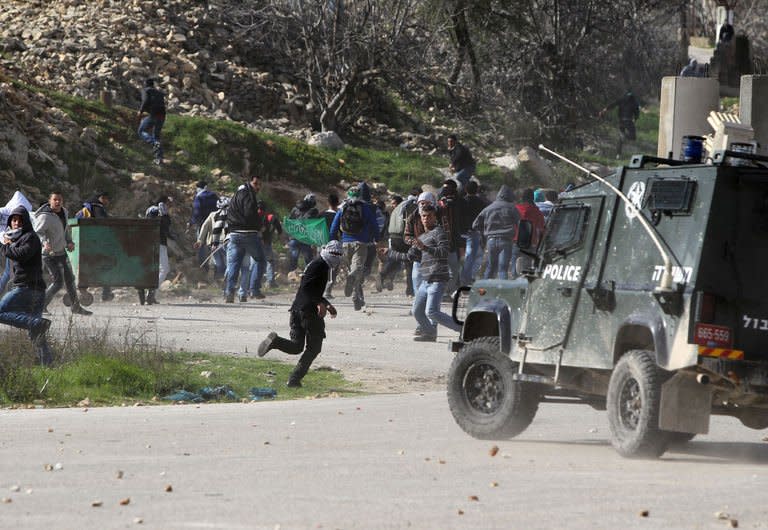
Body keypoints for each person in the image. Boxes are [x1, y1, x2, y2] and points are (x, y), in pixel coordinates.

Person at [257, 240, 343, 388]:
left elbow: (309, 289)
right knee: (314, 347)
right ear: (328, 253)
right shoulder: (320, 265)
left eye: (339, 255)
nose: (337, 257)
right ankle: (294, 379)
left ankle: (275, 341)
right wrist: (319, 303)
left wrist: (327, 304)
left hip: (297, 309)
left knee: (297, 347)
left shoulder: (318, 264)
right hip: (308, 313)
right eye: (335, 254)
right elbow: (309, 289)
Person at [381, 203, 461, 342]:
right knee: (417, 312)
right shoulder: (422, 237)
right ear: (420, 218)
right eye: (424, 216)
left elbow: (444, 251)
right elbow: (409, 257)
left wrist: (425, 248)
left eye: (429, 216)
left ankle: (463, 329)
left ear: (434, 217)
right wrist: (390, 253)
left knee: (432, 312)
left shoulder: (439, 233)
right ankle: (430, 333)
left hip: (437, 279)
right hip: (425, 280)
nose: (426, 219)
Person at [0, 206, 53, 365]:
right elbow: (9, 270)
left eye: (19, 220)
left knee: (1, 311)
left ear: (25, 222)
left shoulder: (30, 238)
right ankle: (47, 365)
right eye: (13, 220)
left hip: (29, 288)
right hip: (32, 289)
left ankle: (37, 322)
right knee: (36, 333)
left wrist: (4, 246)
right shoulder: (17, 239)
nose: (16, 223)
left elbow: (21, 255)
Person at [33, 192, 92, 316]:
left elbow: (64, 231)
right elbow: (38, 232)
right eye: (55, 200)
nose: (57, 202)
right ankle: (41, 306)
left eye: (59, 199)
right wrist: (45, 243)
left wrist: (69, 242)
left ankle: (76, 307)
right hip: (48, 254)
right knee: (58, 282)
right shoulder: (45, 216)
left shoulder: (64, 212)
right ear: (50, 201)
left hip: (61, 252)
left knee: (70, 279)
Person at [329, 185, 380, 311]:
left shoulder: (342, 208)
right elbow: (374, 225)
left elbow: (334, 227)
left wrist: (332, 240)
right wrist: (377, 238)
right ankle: (354, 291)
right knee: (357, 271)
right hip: (361, 244)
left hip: (345, 244)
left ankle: (356, 298)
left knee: (354, 271)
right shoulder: (366, 208)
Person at [224, 175, 266, 303]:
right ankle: (254, 289)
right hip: (248, 233)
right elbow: (249, 213)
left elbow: (229, 214)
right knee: (260, 260)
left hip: (234, 234)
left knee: (234, 265)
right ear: (249, 182)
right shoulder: (248, 194)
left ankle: (229, 293)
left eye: (259, 184)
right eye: (256, 183)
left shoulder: (235, 195)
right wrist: (259, 225)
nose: (258, 187)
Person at [472, 185, 520, 280]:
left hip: (491, 241)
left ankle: (484, 290)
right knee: (502, 269)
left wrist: (485, 230)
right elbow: (520, 224)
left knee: (490, 267)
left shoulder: (488, 208)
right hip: (506, 241)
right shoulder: (512, 208)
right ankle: (502, 292)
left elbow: (475, 225)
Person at [76, 191, 114, 302]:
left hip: (85, 242)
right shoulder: (97, 207)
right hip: (96, 243)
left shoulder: (87, 206)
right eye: (106, 199)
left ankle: (85, 290)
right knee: (106, 266)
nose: (108, 201)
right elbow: (102, 222)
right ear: (101, 198)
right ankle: (105, 293)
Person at [140, 195, 174, 305]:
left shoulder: (150, 210)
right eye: (169, 203)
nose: (170, 205)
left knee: (152, 269)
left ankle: (149, 293)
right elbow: (164, 224)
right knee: (164, 268)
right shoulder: (159, 210)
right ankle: (151, 291)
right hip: (158, 242)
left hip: (147, 242)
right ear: (164, 202)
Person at [458, 180, 488, 286]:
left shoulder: (461, 202)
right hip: (474, 232)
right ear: (477, 190)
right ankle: (465, 279)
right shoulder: (481, 203)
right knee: (471, 257)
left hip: (460, 232)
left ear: (466, 189)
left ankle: (459, 278)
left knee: (460, 257)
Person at [511, 189, 545, 278]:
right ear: (532, 198)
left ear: (522, 198)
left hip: (516, 240)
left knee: (514, 264)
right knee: (527, 266)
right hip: (530, 242)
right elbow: (541, 228)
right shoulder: (537, 211)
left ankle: (514, 282)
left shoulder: (516, 208)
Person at [194, 196, 230, 283]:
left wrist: (200, 240)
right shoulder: (230, 215)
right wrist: (200, 240)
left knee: (219, 263)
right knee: (225, 263)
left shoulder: (213, 215)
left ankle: (220, 280)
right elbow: (205, 227)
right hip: (225, 243)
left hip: (214, 243)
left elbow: (204, 227)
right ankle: (222, 280)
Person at [249, 200, 282, 293]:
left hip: (253, 242)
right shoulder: (271, 217)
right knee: (269, 261)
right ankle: (270, 281)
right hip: (265, 243)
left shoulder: (252, 215)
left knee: (253, 263)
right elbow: (279, 230)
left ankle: (250, 283)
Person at [189, 181, 219, 273]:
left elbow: (196, 212)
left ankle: (203, 268)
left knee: (201, 245)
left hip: (203, 224)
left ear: (199, 188)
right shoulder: (214, 196)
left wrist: (191, 222)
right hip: (215, 224)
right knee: (214, 245)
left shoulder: (199, 197)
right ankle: (216, 269)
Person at [137, 78, 166, 165]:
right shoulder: (159, 92)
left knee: (141, 131)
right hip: (162, 115)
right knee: (156, 135)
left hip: (154, 114)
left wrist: (140, 111)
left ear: (145, 84)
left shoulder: (146, 90)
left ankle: (153, 143)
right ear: (153, 85)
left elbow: (145, 101)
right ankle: (159, 159)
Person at [287, 194, 319, 271]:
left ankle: (291, 276)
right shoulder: (313, 211)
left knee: (293, 259)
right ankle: (308, 277)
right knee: (309, 261)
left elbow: (289, 221)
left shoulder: (295, 209)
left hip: (294, 238)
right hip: (305, 239)